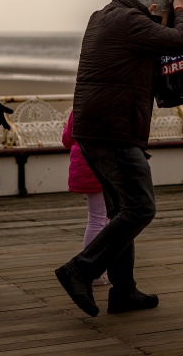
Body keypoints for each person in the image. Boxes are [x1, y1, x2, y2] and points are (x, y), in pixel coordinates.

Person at [54, 0, 183, 317]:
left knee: (121, 211)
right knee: (140, 208)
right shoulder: (130, 21)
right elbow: (181, 40)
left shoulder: (101, 17)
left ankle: (124, 292)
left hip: (93, 131)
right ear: (151, 11)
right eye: (158, 23)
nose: (154, 33)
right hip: (113, 132)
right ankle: (80, 269)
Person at [62, 110, 110, 286]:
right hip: (100, 164)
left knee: (98, 218)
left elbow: (67, 139)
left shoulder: (79, 106)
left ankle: (97, 269)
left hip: (83, 164)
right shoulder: (108, 103)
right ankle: (92, 271)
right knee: (99, 220)